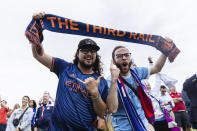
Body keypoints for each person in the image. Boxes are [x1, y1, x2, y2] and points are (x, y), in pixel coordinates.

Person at [28, 13, 109, 131]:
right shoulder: (65, 68)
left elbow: (102, 113)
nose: (89, 53)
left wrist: (95, 93)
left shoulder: (100, 81)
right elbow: (38, 55)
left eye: (93, 51)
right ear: (77, 53)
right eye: (84, 50)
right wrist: (37, 30)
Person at [107, 38, 172, 131]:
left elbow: (157, 68)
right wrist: (114, 80)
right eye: (119, 56)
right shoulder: (109, 81)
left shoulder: (136, 72)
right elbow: (112, 109)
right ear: (113, 61)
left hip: (144, 124)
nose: (124, 58)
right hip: (123, 128)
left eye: (126, 55)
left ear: (130, 57)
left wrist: (165, 52)